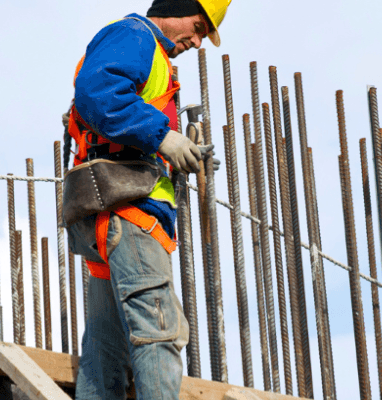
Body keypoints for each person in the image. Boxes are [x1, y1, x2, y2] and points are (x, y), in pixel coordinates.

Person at [62, 1, 230, 399]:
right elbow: (98, 92)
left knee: (106, 346)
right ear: (177, 7)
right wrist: (164, 136)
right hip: (130, 211)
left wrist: (175, 149)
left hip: (110, 213)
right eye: (198, 26)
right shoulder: (135, 36)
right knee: (159, 330)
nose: (197, 41)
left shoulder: (152, 56)